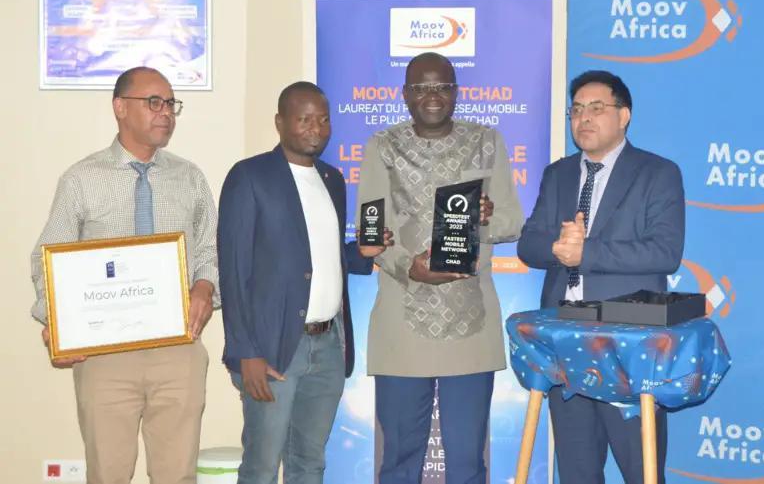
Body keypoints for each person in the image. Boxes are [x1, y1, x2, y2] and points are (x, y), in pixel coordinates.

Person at [30, 66, 219, 484]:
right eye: (153, 102)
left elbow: (211, 249)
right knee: (108, 474)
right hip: (104, 355)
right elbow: (47, 259)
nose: (165, 112)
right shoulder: (82, 179)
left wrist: (205, 287)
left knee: (177, 475)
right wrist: (58, 325)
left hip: (178, 350)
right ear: (119, 107)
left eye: (170, 103)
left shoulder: (189, 177)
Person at [356, 52, 523, 484]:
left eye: (442, 87)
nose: (432, 96)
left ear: (456, 92)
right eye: (421, 87)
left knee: (468, 464)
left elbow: (512, 222)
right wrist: (408, 267)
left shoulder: (488, 141)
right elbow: (371, 233)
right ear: (405, 94)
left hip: (471, 325)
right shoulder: (382, 147)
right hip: (401, 325)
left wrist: (485, 219)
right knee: (398, 462)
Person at [517, 70, 685, 484]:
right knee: (576, 471)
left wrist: (585, 252)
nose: (584, 119)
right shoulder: (558, 174)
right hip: (564, 340)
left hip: (628, 344)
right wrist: (557, 248)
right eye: (576, 110)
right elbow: (528, 244)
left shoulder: (657, 173)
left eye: (596, 108)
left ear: (624, 116)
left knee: (641, 469)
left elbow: (665, 252)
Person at [218, 81, 387, 484]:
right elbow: (233, 269)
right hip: (273, 349)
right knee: (261, 466)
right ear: (280, 122)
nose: (316, 128)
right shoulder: (250, 176)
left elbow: (323, 255)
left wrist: (361, 253)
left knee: (310, 463)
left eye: (323, 119)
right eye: (305, 119)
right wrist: (246, 351)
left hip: (328, 346)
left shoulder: (332, 179)